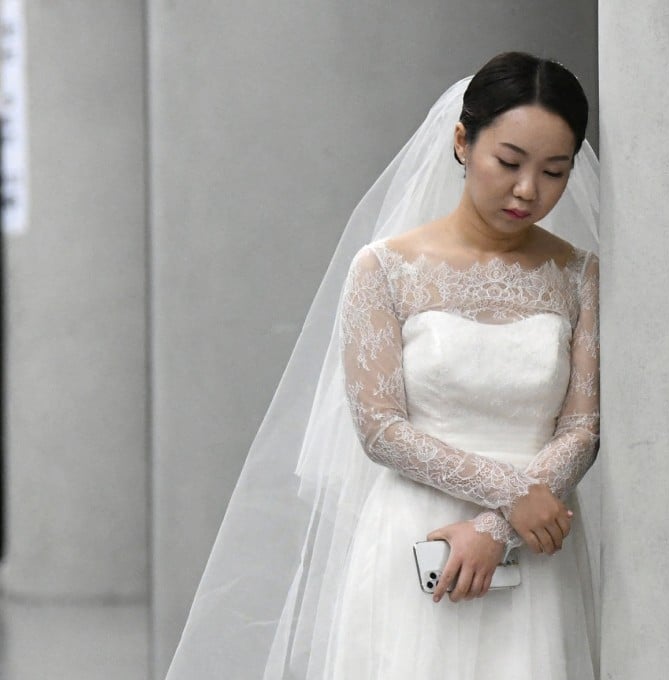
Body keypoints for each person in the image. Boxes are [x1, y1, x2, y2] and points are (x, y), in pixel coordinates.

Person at [165, 51, 600, 680]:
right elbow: (380, 429)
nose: (528, 190)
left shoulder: (579, 273)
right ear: (461, 141)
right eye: (509, 162)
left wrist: (496, 528)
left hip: (534, 543)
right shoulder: (384, 269)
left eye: (554, 171)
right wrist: (513, 498)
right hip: (417, 539)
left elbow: (582, 429)